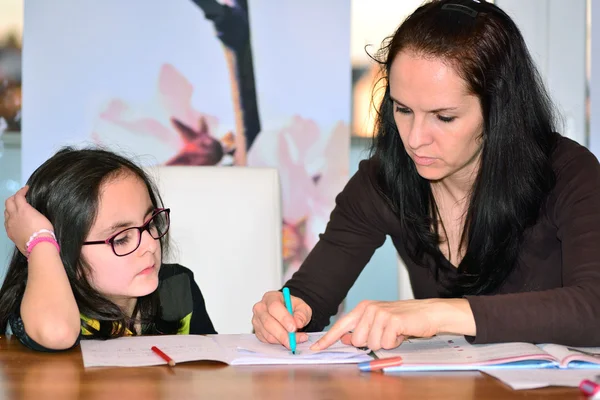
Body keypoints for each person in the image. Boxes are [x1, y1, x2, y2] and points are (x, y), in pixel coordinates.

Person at [252, 0, 600, 350]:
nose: (415, 139)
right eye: (402, 109)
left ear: (499, 110)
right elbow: (311, 295)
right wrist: (288, 311)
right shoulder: (382, 181)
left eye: (443, 117)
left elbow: (594, 309)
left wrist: (434, 314)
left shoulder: (568, 172)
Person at [0, 147, 216, 351]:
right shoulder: (45, 302)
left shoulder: (177, 287)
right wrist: (40, 239)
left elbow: (211, 372)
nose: (150, 245)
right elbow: (57, 332)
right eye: (121, 239)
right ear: (65, 253)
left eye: (150, 224)